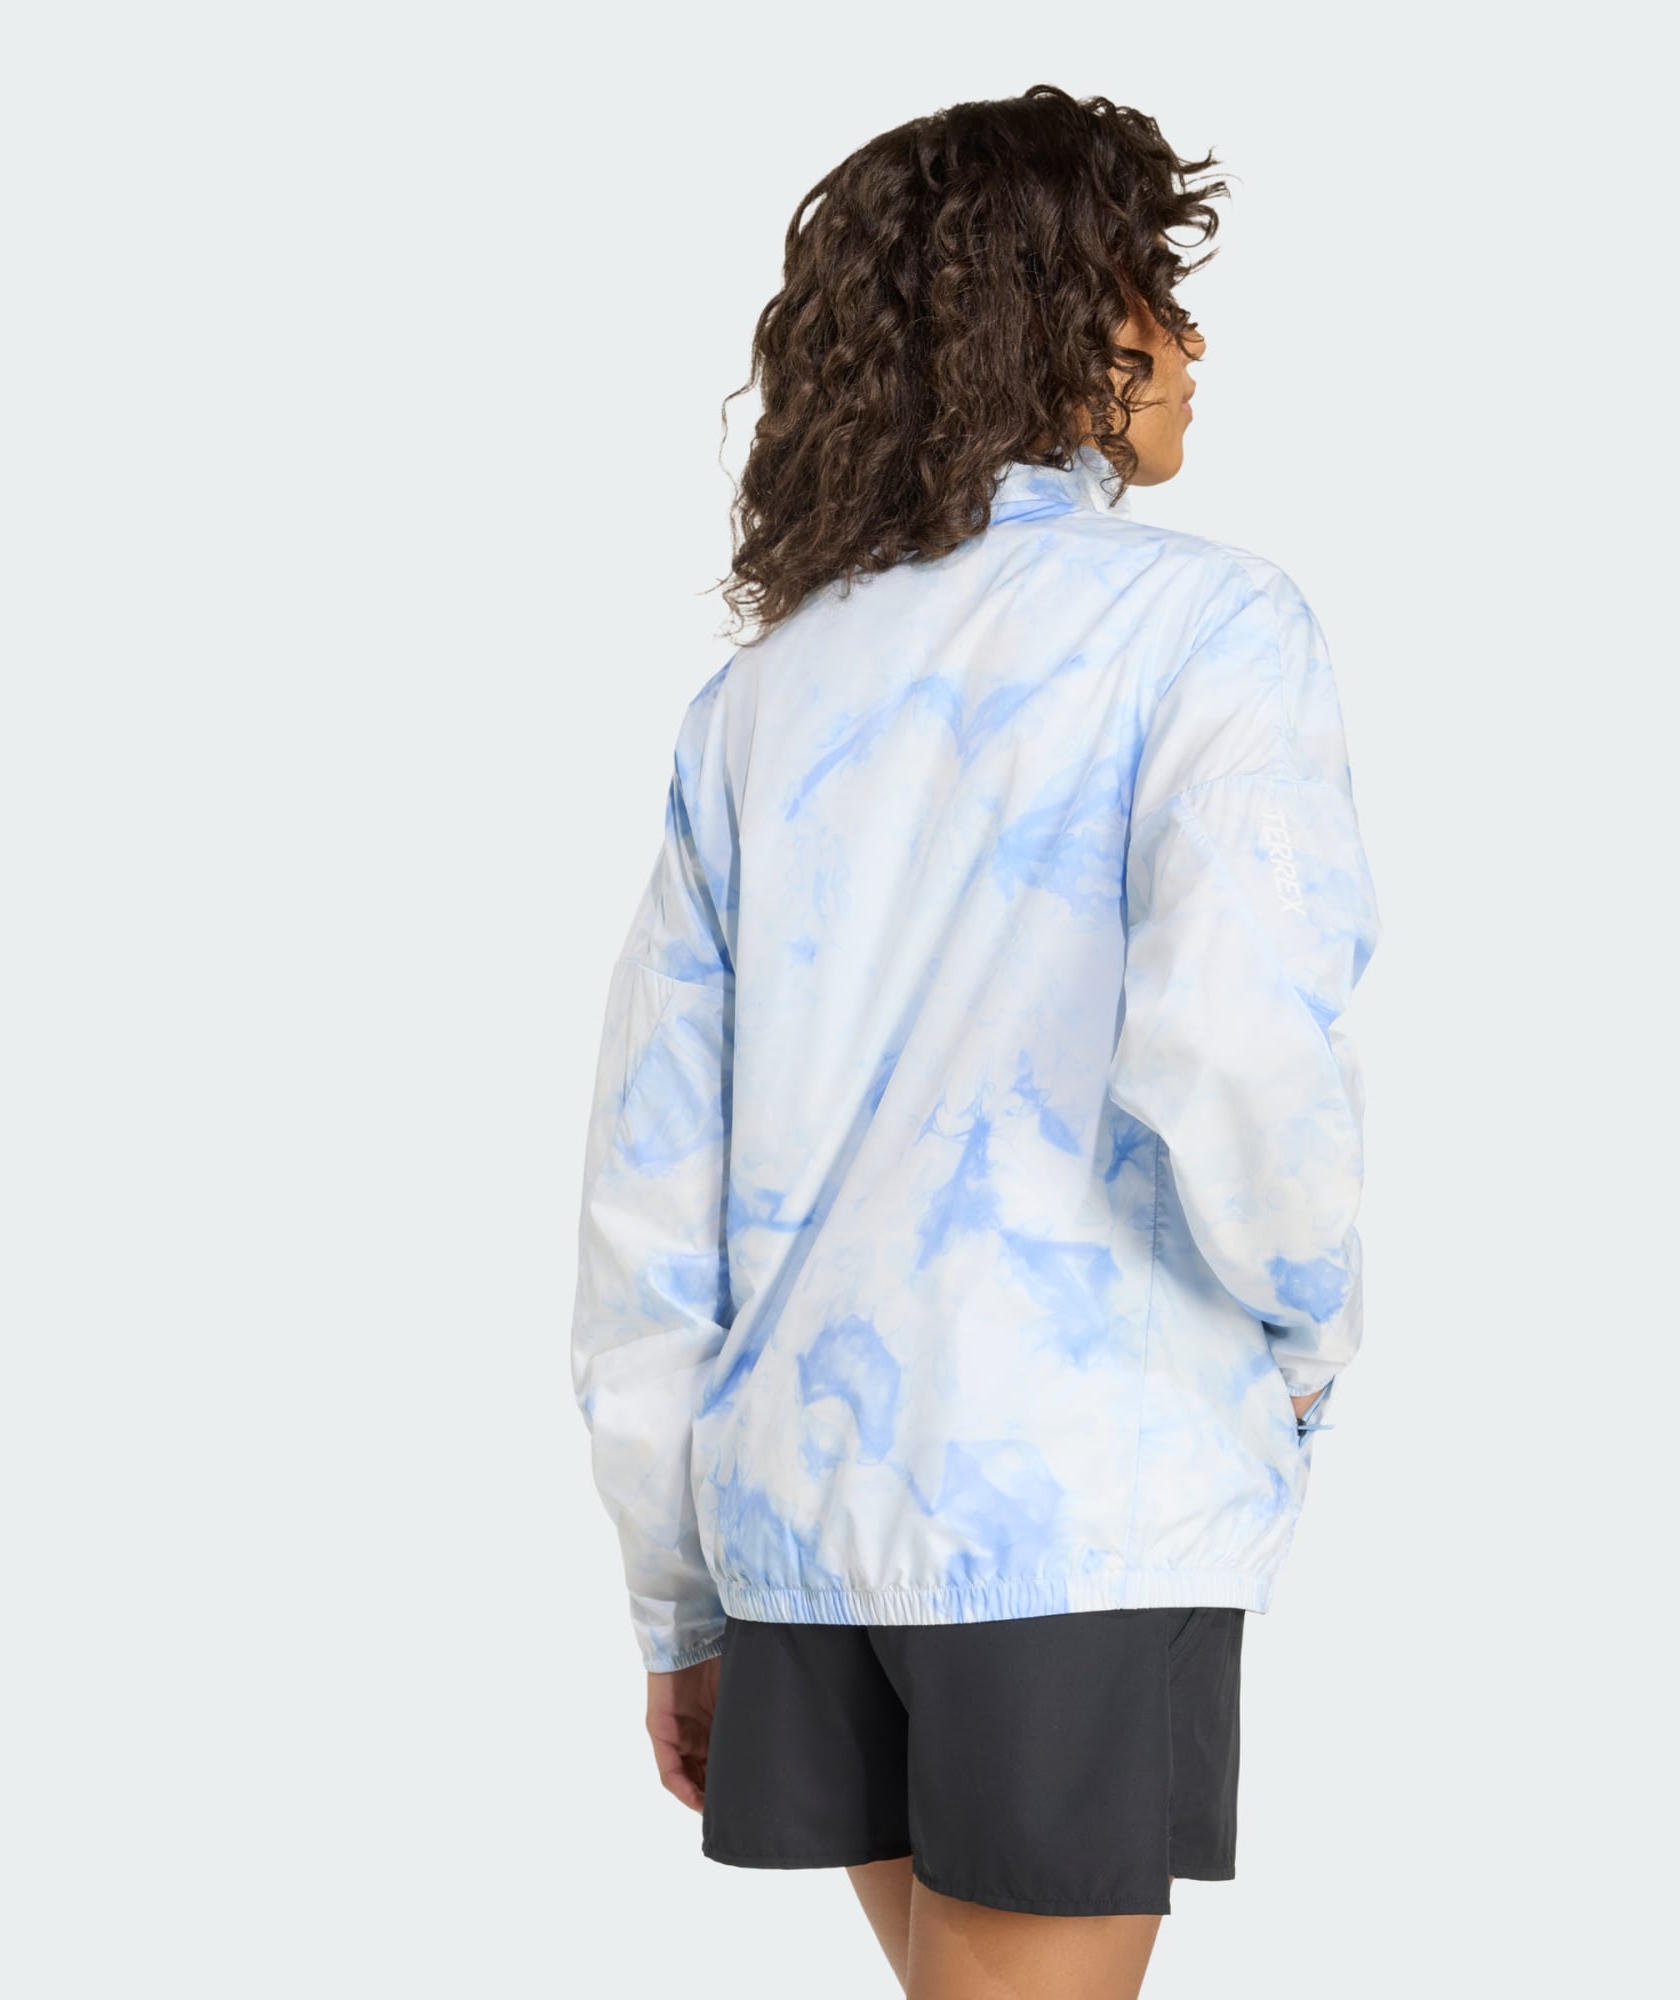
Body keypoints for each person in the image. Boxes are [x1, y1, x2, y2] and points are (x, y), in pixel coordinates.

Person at [571, 83, 1380, 2000]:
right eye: (1154, 297)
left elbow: (650, 1193)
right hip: (1069, 1499)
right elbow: (1240, 1047)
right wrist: (1302, 1344)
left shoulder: (762, 700)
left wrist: (678, 1594)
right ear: (1059, 325)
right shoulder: (1211, 631)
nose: (1192, 346)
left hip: (800, 1519)